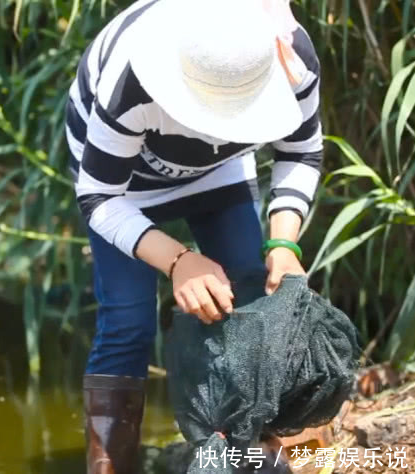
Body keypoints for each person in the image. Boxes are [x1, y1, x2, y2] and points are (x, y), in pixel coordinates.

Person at [63, 0, 322, 472]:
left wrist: (283, 245)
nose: (216, 133)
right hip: (123, 186)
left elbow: (302, 152)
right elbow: (99, 196)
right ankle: (109, 463)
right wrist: (180, 260)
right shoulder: (132, 79)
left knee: (247, 290)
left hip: (218, 176)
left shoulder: (290, 59)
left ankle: (247, 452)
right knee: (128, 320)